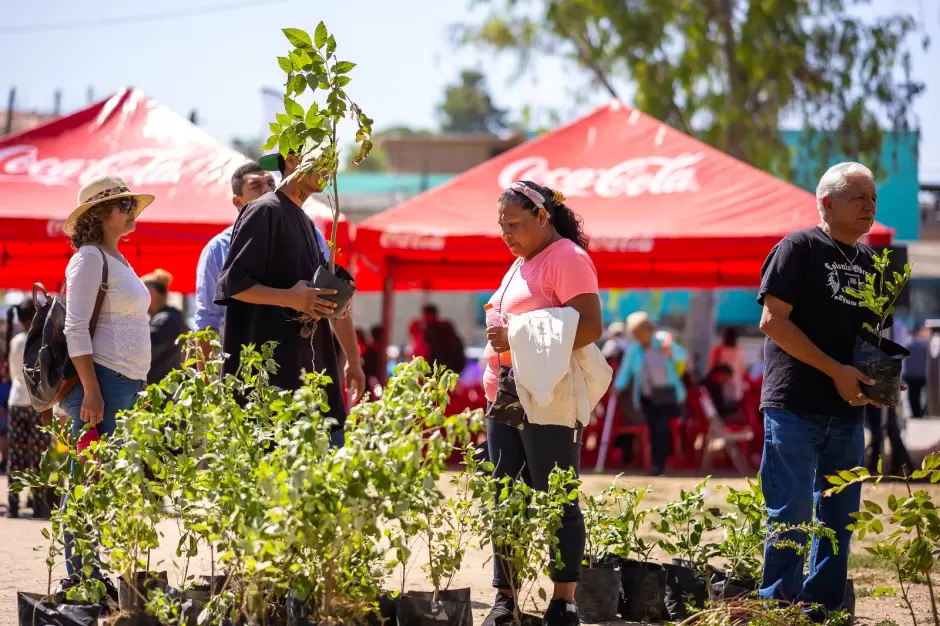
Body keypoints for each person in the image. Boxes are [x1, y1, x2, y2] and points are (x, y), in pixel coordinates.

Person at [757, 162, 889, 618]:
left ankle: (824, 611)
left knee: (841, 519)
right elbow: (773, 321)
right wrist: (835, 369)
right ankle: (780, 611)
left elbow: (867, 339)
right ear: (827, 203)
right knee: (790, 515)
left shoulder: (873, 263)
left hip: (848, 410)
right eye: (859, 198)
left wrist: (879, 377)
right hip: (794, 404)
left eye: (873, 198)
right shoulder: (800, 246)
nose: (869, 206)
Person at [482, 180, 602, 626]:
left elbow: (589, 327)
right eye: (501, 226)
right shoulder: (520, 263)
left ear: (542, 217)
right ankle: (505, 599)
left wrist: (513, 332)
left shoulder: (567, 259)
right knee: (505, 497)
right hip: (506, 393)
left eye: (514, 223)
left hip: (548, 395)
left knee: (557, 496)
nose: (506, 234)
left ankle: (563, 602)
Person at [214, 152, 365, 446]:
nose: (329, 170)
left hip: (310, 386)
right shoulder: (264, 210)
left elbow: (315, 298)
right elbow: (234, 284)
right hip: (271, 394)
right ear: (294, 160)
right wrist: (291, 299)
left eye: (332, 163)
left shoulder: (307, 224)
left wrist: (336, 298)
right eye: (322, 161)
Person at [62, 175, 153, 575]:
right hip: (102, 383)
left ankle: (88, 573)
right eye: (125, 205)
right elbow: (75, 328)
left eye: (132, 204)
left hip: (120, 383)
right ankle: (83, 576)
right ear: (101, 214)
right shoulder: (89, 258)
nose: (132, 212)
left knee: (101, 480)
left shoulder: (116, 258)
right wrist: (91, 391)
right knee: (88, 480)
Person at [194, 162, 275, 356]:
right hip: (242, 367)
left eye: (271, 184)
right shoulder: (218, 250)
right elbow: (207, 321)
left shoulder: (305, 234)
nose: (267, 191)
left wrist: (353, 360)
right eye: (256, 186)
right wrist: (206, 383)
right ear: (237, 201)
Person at [612, 312, 687, 476]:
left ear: (647, 330)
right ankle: (656, 463)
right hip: (648, 397)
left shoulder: (663, 341)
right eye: (634, 334)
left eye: (639, 333)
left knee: (661, 427)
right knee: (654, 429)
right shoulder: (634, 349)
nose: (637, 337)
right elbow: (626, 371)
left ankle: (660, 464)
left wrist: (670, 351)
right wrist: (617, 387)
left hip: (668, 395)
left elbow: (682, 356)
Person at [5, 300, 55, 518]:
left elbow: (15, 372)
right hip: (38, 403)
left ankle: (14, 503)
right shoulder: (42, 340)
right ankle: (38, 502)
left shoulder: (16, 341)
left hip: (16, 402)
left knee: (16, 455)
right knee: (38, 455)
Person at [142, 269, 186, 386]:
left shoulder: (165, 320)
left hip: (163, 392)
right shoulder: (171, 316)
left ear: (152, 293)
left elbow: (141, 351)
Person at [421, 304, 467, 375]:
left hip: (446, 366)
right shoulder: (445, 326)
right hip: (451, 366)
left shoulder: (435, 329)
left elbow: (431, 350)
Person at [709, 327, 747, 403]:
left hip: (719, 389)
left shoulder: (718, 351)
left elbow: (711, 368)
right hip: (736, 390)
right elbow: (742, 371)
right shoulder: (740, 352)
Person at [903, 326, 928, 417]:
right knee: (924, 395)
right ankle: (923, 411)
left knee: (912, 395)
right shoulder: (925, 344)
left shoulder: (907, 343)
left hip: (910, 374)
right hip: (922, 374)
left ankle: (915, 412)